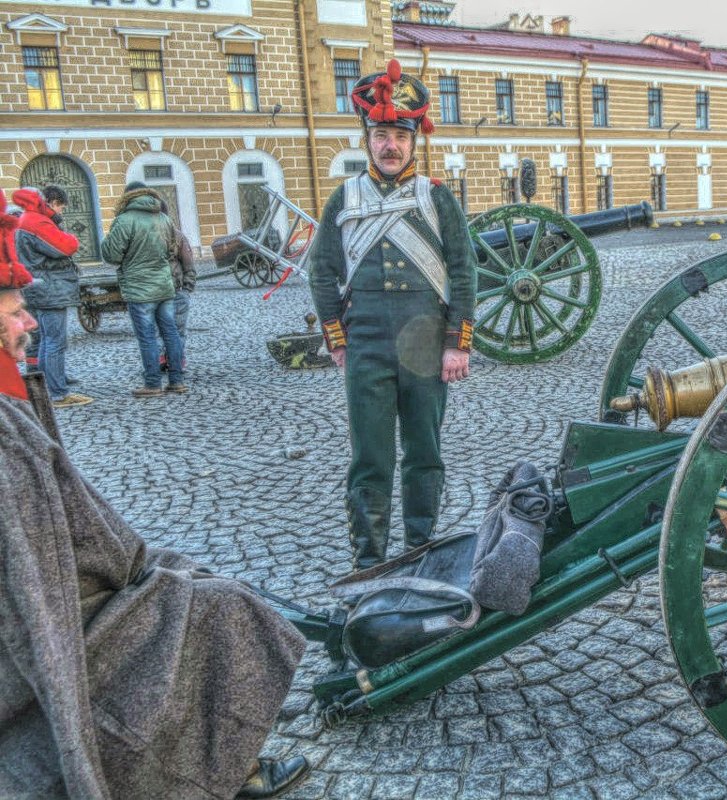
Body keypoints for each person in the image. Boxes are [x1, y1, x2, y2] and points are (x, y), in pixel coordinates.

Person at [0, 189, 311, 800]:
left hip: (64, 593)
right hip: (52, 624)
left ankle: (228, 722)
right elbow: (50, 576)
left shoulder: (13, 397)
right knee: (221, 604)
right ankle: (224, 760)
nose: (28, 319)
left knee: (185, 577)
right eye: (13, 311)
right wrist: (136, 569)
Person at [309, 58, 477, 571]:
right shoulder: (345, 198)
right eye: (382, 135)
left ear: (413, 141)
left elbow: (465, 271)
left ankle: (421, 548)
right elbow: (321, 272)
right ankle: (369, 558)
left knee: (424, 452)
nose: (391, 146)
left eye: (400, 137)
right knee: (371, 458)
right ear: (367, 137)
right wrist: (337, 338)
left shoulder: (436, 198)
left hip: (427, 341)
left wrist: (457, 343)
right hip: (367, 342)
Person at [100, 182, 185, 397]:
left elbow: (112, 256)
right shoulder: (164, 218)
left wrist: (106, 242)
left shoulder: (124, 220)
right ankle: (176, 381)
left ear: (127, 198)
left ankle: (153, 384)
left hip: (139, 288)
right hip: (164, 285)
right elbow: (173, 249)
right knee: (171, 333)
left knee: (147, 337)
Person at [13, 185, 92, 408]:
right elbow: (66, 246)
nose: (61, 212)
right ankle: (58, 393)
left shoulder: (26, 219)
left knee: (44, 339)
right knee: (54, 341)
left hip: (36, 286)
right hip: (49, 288)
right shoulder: (36, 221)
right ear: (51, 202)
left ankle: (48, 386)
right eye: (60, 207)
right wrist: (72, 237)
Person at [158, 199, 195, 372]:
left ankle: (168, 359)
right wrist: (187, 287)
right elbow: (189, 265)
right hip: (175, 289)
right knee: (177, 329)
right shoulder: (178, 235)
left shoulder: (176, 236)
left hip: (169, 291)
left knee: (161, 329)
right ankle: (174, 360)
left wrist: (186, 288)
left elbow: (188, 265)